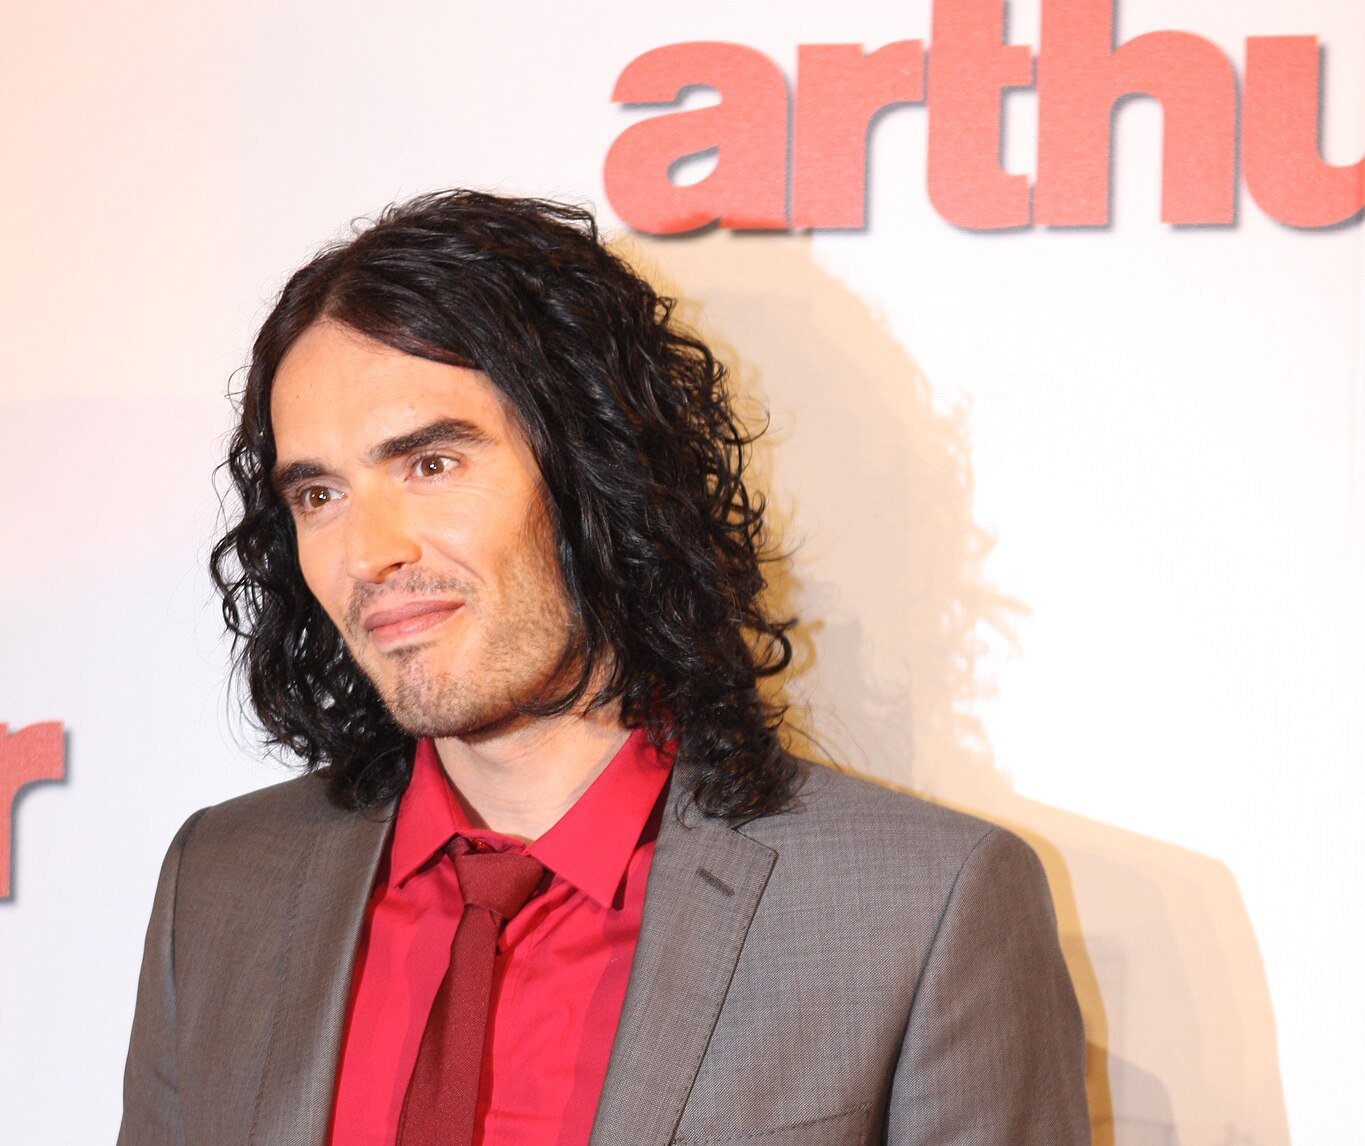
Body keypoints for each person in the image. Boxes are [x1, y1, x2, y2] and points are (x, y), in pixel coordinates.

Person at [119, 190, 1090, 1146]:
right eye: (320, 493)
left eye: (430, 465)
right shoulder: (223, 883)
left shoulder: (920, 908)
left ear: (595, 468)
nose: (367, 552)